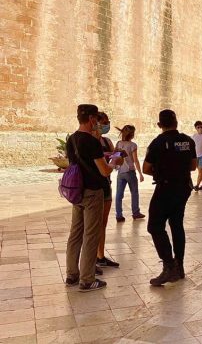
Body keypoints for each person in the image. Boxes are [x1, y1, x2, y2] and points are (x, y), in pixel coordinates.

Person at [65, 104, 123, 292]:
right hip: (92, 192)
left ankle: (72, 274)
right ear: (91, 119)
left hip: (77, 192)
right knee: (91, 235)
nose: (98, 124)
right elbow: (104, 170)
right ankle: (87, 279)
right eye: (97, 120)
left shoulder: (71, 139)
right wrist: (115, 162)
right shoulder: (91, 142)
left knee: (75, 234)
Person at [143, 110, 197, 286]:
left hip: (166, 188)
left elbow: (146, 168)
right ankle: (179, 266)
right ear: (176, 122)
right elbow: (193, 166)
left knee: (154, 226)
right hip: (183, 188)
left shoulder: (158, 143)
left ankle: (169, 265)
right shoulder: (188, 141)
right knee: (176, 224)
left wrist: (162, 170)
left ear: (160, 125)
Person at [91, 113, 120, 270]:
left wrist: (117, 156)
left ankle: (100, 256)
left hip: (105, 183)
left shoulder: (107, 141)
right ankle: (90, 259)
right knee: (92, 224)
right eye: (104, 122)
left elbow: (115, 159)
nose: (107, 125)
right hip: (92, 185)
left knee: (102, 223)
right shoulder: (89, 141)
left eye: (108, 122)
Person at [114, 125, 146, 222]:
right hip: (130, 172)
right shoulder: (133, 145)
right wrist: (140, 173)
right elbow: (135, 160)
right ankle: (135, 212)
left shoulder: (118, 143)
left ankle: (119, 215)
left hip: (120, 171)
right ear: (132, 135)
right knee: (134, 193)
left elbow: (115, 157)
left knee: (119, 194)